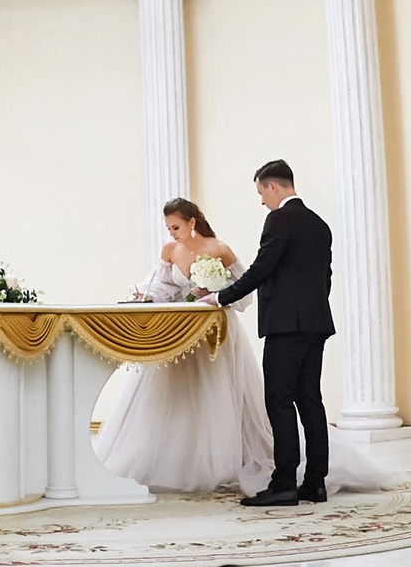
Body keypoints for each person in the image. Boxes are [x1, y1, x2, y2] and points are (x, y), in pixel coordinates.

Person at [92, 198, 274, 494]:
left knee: (214, 392)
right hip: (180, 331)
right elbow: (161, 287)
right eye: (168, 228)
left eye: (176, 226)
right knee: (175, 394)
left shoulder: (219, 249)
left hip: (216, 331)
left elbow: (244, 294)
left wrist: (215, 291)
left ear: (192, 222)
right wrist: (146, 296)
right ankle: (175, 460)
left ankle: (221, 460)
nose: (172, 233)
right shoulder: (170, 251)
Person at [211, 159, 335, 507]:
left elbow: (262, 268)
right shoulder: (319, 224)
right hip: (316, 323)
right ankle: (315, 484)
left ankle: (283, 484)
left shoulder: (279, 219)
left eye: (261, 193)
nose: (262, 201)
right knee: (310, 400)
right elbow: (325, 277)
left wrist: (221, 297)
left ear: (273, 187)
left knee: (279, 401)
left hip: (285, 327)